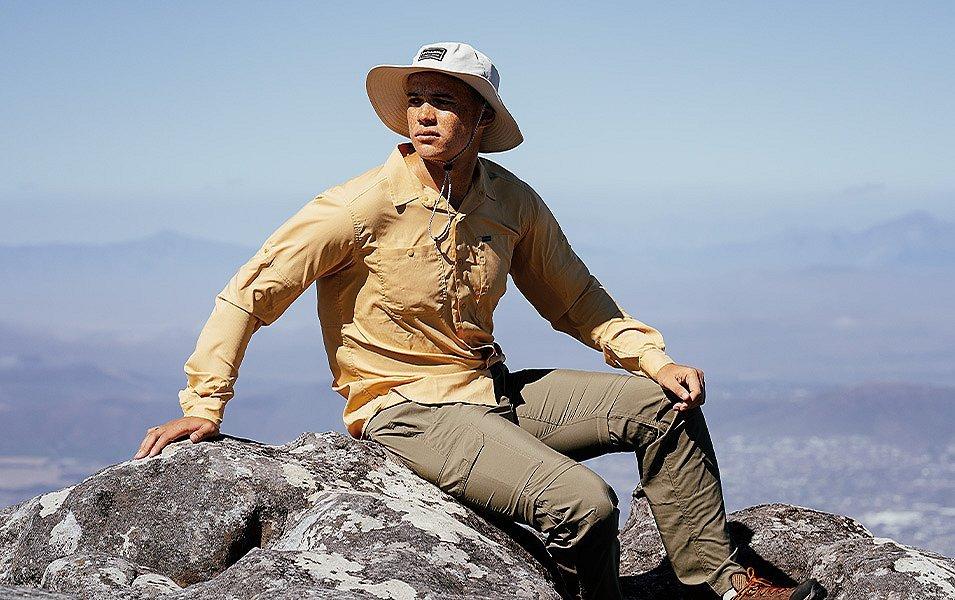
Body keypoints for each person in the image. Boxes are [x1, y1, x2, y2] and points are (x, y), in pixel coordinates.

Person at [133, 41, 825, 600]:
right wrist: (204, 405)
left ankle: (718, 584)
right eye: (416, 101)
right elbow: (247, 295)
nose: (423, 116)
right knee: (585, 505)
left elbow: (575, 298)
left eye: (444, 102)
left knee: (662, 408)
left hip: (488, 389)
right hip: (406, 409)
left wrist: (654, 359)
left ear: (482, 121)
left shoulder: (510, 200)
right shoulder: (357, 206)